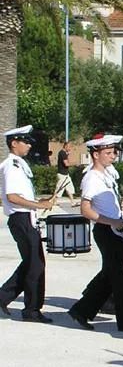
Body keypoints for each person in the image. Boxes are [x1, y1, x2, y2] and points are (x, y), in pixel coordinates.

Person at [67, 134, 123, 333]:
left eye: (113, 152)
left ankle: (81, 310)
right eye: (108, 152)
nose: (113, 155)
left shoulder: (106, 175)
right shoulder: (91, 178)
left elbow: (107, 203)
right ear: (96, 154)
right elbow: (85, 210)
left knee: (111, 275)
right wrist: (112, 220)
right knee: (120, 279)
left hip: (115, 229)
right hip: (106, 230)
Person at [0, 125, 54, 322]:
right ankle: (31, 310)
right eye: (25, 142)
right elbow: (12, 196)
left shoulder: (19, 164)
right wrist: (38, 204)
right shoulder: (11, 166)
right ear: (14, 143)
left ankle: (4, 297)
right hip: (21, 218)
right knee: (35, 265)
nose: (29, 145)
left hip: (26, 218)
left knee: (32, 263)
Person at [55, 141, 78, 207]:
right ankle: (53, 202)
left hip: (66, 174)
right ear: (65, 146)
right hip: (62, 174)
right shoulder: (62, 153)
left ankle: (73, 202)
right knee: (59, 188)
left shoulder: (64, 153)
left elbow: (66, 162)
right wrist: (75, 163)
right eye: (69, 147)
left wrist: (68, 154)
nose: (70, 148)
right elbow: (66, 164)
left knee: (69, 188)